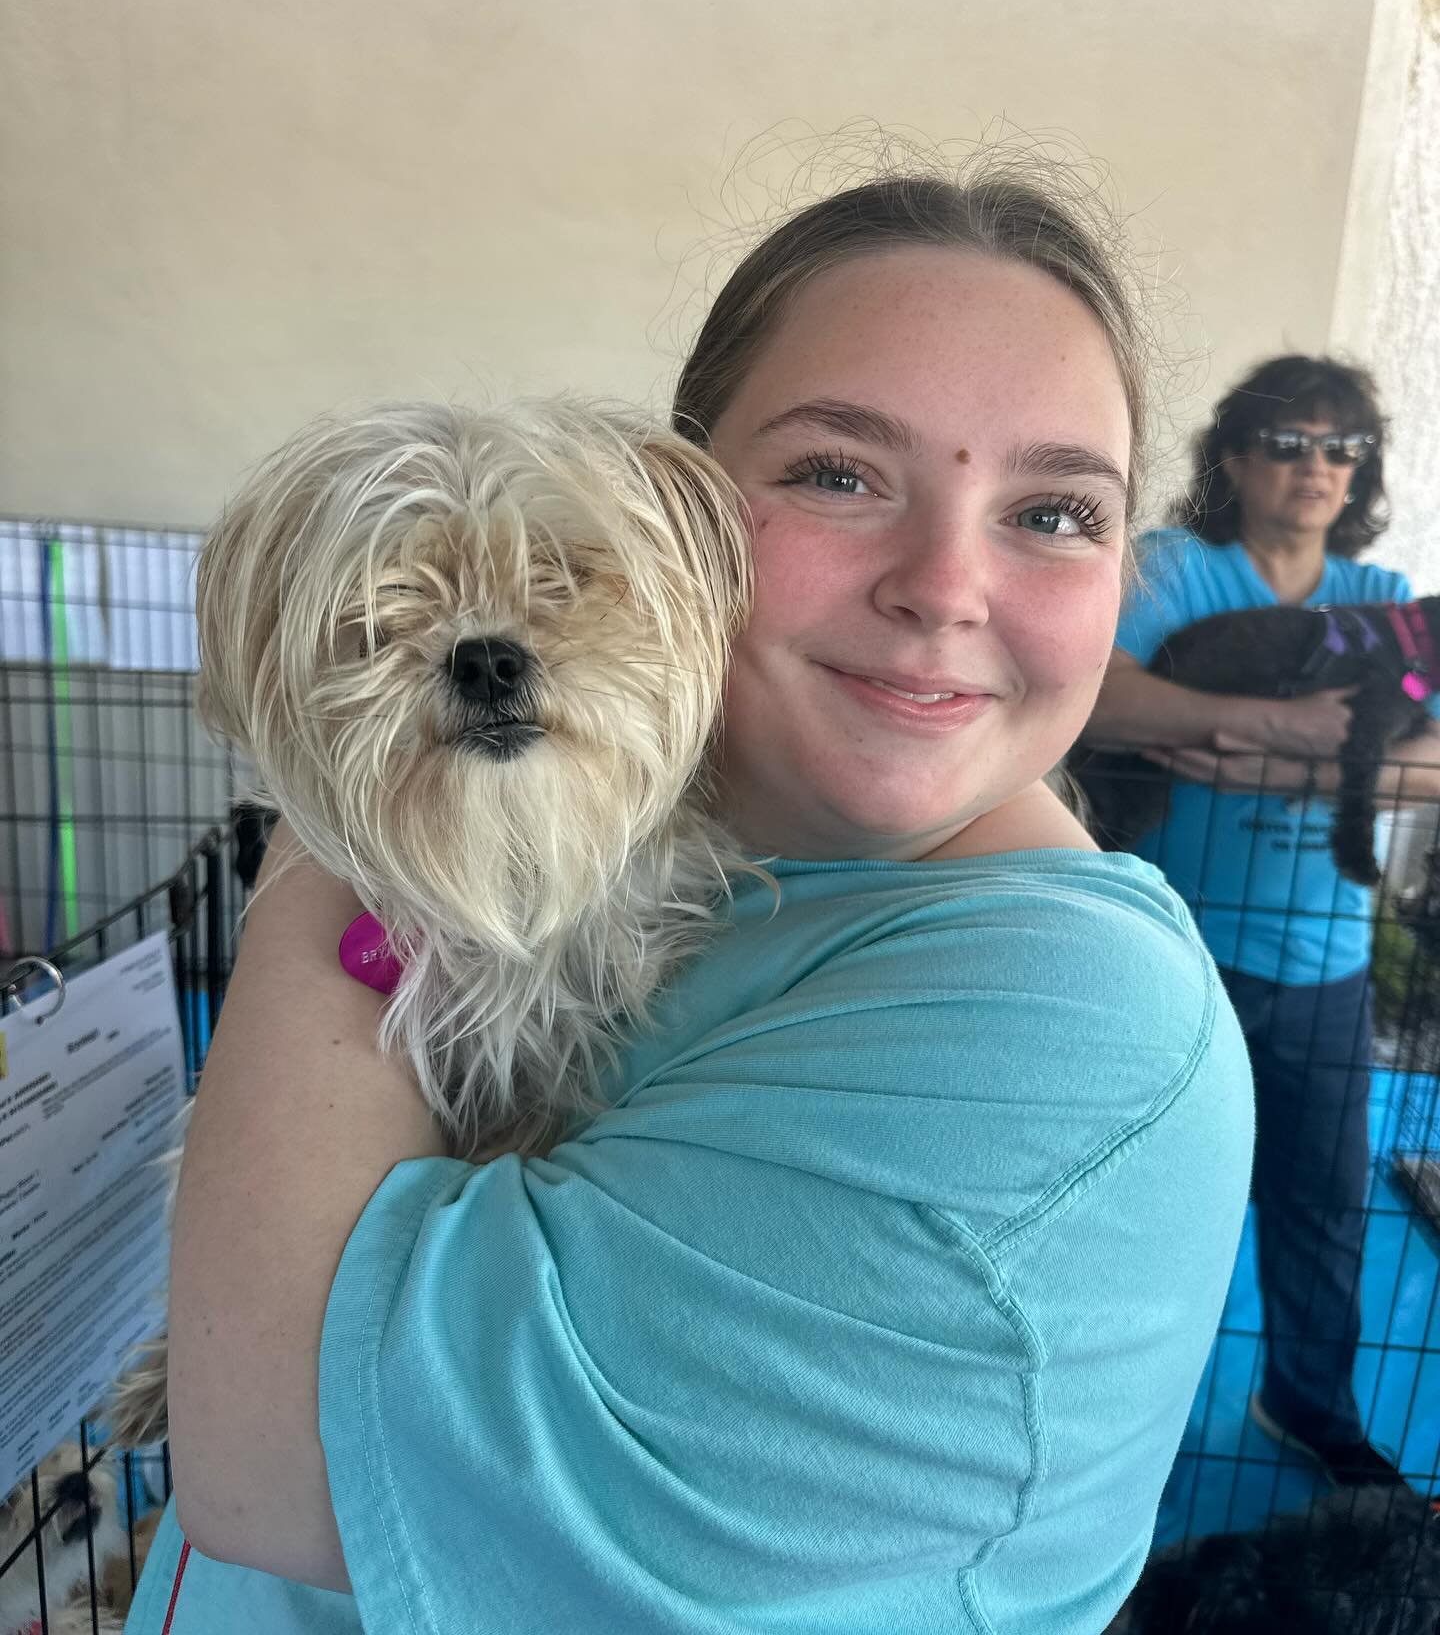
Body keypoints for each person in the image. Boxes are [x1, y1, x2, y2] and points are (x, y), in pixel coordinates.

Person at [124, 166, 1255, 1634]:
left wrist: (356, 782)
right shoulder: (672, 853)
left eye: (1053, 510)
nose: (943, 583)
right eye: (839, 472)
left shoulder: (1071, 1033)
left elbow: (277, 1461)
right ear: (682, 509)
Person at [1084, 355, 1440, 1494]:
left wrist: (1318, 763)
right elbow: (1097, 688)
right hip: (1177, 949)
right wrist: (1287, 730)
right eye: (1287, 444)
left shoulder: (1384, 600)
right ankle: (1106, 1432)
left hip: (1327, 962)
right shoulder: (1182, 571)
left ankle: (1307, 1405)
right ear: (1234, 458)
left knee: (1326, 1200)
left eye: (1341, 449)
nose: (1315, 469)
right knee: (1144, 1199)